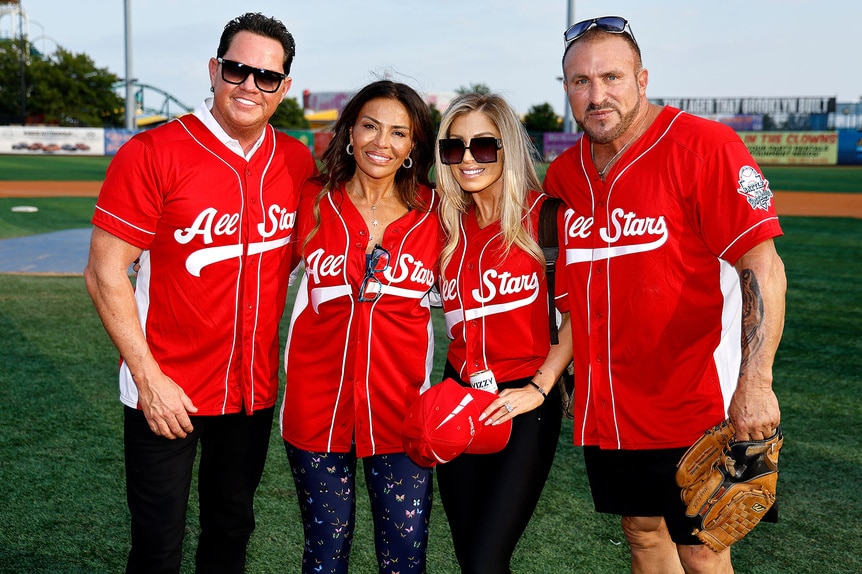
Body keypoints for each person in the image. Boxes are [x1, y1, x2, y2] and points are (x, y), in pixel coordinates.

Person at [544, 16, 787, 574]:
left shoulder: (704, 146)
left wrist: (755, 382)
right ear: (566, 90)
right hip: (612, 401)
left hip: (696, 396)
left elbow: (763, 264)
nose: (597, 94)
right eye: (580, 81)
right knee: (642, 533)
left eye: (612, 77)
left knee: (704, 545)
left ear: (643, 78)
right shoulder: (565, 175)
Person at [83, 13, 315, 573]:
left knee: (231, 528)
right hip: (167, 388)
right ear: (214, 70)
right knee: (158, 544)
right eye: (238, 69)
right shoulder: (154, 151)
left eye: (266, 76)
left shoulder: (296, 161)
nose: (249, 86)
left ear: (283, 90)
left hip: (250, 391)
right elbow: (104, 271)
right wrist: (148, 378)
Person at [279, 80, 442, 574]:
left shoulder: (438, 211)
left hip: (402, 414)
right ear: (350, 130)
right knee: (325, 554)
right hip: (316, 410)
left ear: (414, 145)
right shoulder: (311, 200)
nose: (381, 142)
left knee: (405, 557)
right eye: (370, 126)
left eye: (399, 132)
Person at [433, 92, 573, 574]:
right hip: (458, 399)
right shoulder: (446, 227)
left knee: (486, 561)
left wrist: (540, 387)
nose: (467, 159)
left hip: (525, 402)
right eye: (454, 148)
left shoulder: (548, 219)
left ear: (509, 147)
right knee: (473, 556)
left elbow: (580, 316)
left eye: (484, 146)